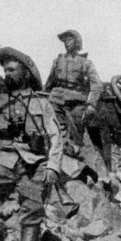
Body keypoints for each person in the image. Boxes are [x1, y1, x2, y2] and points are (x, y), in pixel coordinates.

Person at [0, 47, 63, 241]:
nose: (7, 74)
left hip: (33, 163)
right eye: (5, 70)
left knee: (33, 207)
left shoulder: (42, 103)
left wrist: (53, 166)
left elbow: (56, 135)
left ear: (25, 73)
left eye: (12, 70)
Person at [43, 30, 103, 158]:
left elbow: (97, 84)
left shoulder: (85, 62)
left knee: (77, 133)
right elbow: (49, 82)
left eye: (69, 40)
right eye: (64, 41)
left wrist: (91, 104)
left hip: (77, 100)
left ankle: (79, 157)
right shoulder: (57, 61)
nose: (66, 43)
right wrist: (43, 95)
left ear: (77, 42)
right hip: (56, 99)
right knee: (56, 130)